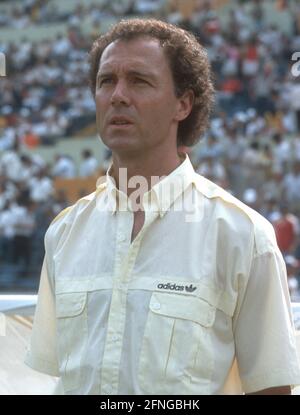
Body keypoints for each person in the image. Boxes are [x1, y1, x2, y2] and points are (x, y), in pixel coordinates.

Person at [25, 19, 300, 395]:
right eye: (106, 81)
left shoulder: (243, 236)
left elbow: (271, 389)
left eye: (139, 80)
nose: (118, 95)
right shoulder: (64, 233)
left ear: (183, 104)